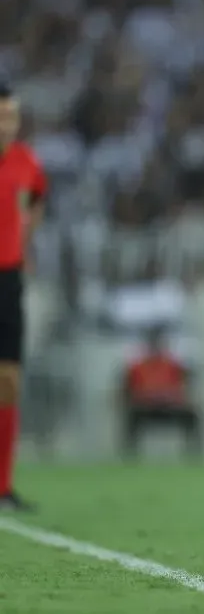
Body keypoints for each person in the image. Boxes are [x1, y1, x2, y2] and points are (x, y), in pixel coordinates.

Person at [0, 83, 47, 511]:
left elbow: (36, 199)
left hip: (8, 280)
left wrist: (23, 240)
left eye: (11, 116)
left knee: (9, 381)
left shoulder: (26, 162)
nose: (6, 125)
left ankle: (3, 485)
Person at [120, 326, 202, 460]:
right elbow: (130, 390)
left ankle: (193, 454)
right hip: (146, 408)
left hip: (168, 406)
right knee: (132, 416)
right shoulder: (137, 367)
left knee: (192, 415)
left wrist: (170, 397)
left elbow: (182, 387)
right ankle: (130, 455)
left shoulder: (173, 365)